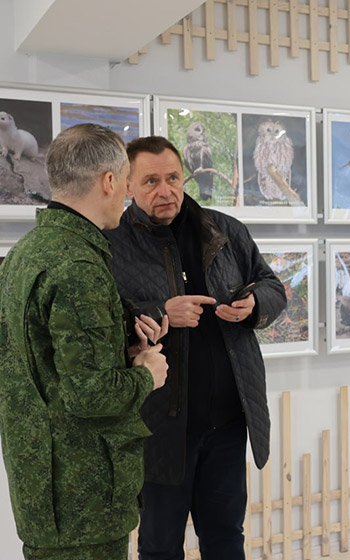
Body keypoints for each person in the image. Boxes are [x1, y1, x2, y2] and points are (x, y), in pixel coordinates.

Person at [105, 136, 287, 560]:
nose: (165, 190)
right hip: (158, 429)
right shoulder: (112, 244)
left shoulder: (224, 230)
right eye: (151, 181)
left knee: (226, 538)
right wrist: (161, 311)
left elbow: (272, 286)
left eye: (173, 178)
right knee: (160, 545)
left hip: (228, 421)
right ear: (127, 185)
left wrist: (254, 305)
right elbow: (104, 325)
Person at [0, 124, 169, 560]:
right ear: (109, 181)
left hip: (42, 485)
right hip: (84, 497)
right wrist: (146, 374)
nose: (128, 192)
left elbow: (38, 360)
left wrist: (120, 346)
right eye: (127, 180)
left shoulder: (26, 253)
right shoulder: (78, 266)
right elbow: (90, 394)